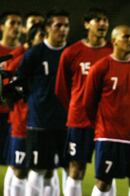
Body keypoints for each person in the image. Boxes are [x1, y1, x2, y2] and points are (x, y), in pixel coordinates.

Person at [83, 25, 130, 196]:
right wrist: (102, 127)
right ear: (114, 41)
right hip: (108, 136)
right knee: (103, 182)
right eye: (126, 37)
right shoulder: (101, 67)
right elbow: (88, 103)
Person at [55, 8, 112, 196]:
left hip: (107, 123)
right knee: (76, 168)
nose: (102, 23)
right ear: (87, 24)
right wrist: (77, 108)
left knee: (107, 172)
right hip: (80, 121)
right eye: (97, 20)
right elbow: (61, 89)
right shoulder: (72, 52)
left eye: (105, 20)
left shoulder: (113, 51)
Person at [16, 9, 70, 196]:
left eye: (66, 26)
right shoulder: (36, 53)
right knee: (38, 169)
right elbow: (20, 80)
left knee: (68, 169)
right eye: (58, 26)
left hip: (67, 122)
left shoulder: (71, 53)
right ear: (48, 28)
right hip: (40, 123)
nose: (62, 30)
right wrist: (36, 99)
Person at [4, 23, 46, 196]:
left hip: (44, 122)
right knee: (19, 169)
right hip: (22, 121)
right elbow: (6, 78)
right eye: (41, 36)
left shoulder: (52, 59)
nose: (45, 40)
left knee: (40, 169)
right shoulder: (21, 59)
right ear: (31, 39)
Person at [0, 11, 22, 196]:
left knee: (13, 161)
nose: (16, 27)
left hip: (14, 114)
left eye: (18, 23)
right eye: (12, 23)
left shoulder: (25, 53)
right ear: (2, 26)